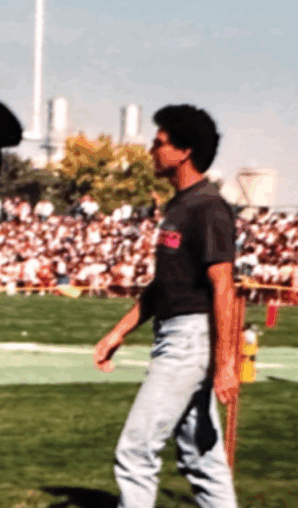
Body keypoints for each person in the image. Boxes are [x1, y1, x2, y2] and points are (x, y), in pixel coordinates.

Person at [93, 104, 238, 508]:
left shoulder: (208, 206)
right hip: (174, 335)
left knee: (135, 450)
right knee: (200, 456)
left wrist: (226, 362)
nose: (151, 150)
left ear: (184, 151)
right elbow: (162, 288)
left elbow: (223, 285)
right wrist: (118, 331)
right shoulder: (178, 207)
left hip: (190, 340)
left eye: (159, 143)